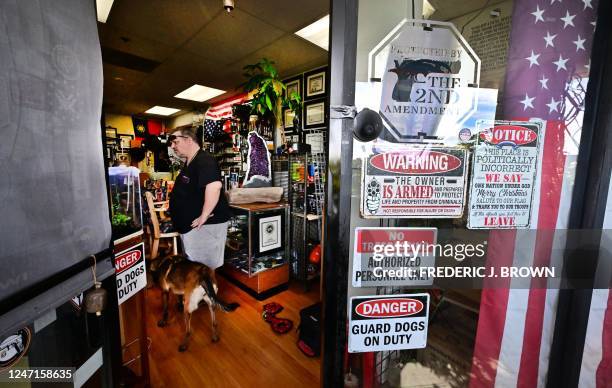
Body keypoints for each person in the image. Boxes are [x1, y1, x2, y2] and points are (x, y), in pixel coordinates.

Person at [168, 127, 230, 271]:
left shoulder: (204, 159)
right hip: (193, 228)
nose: (172, 146)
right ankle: (202, 293)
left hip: (205, 227)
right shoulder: (190, 162)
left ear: (188, 140)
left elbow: (214, 187)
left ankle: (207, 294)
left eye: (175, 142)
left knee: (203, 271)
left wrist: (204, 215)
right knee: (196, 271)